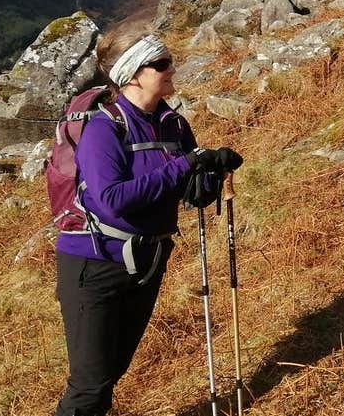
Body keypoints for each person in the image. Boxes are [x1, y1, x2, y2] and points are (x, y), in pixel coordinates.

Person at [55, 32, 243, 416]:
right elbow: (113, 200)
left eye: (168, 61)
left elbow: (190, 193)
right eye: (160, 64)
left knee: (110, 373)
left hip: (147, 261)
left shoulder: (173, 125)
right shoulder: (105, 128)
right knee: (90, 384)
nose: (172, 68)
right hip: (94, 264)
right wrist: (186, 164)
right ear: (132, 75)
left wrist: (211, 173)